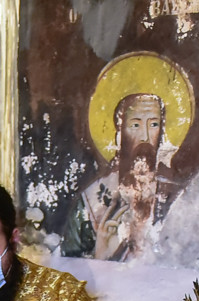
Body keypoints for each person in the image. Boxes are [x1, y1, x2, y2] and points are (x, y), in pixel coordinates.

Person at [61, 93, 179, 261]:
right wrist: (101, 254)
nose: (145, 137)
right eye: (135, 125)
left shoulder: (176, 199)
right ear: (120, 132)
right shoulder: (89, 202)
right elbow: (68, 265)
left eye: (154, 124)